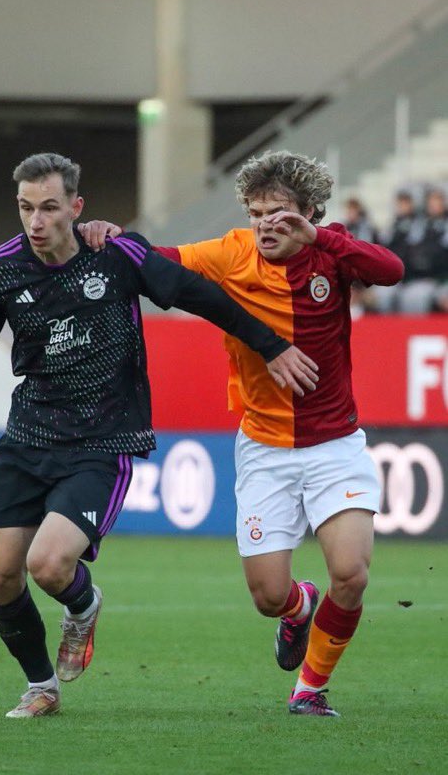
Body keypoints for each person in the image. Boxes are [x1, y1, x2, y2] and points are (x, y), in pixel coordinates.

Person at [0, 152, 318, 719]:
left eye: (49, 208)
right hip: (27, 436)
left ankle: (82, 608)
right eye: (26, 209)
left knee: (49, 565)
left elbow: (201, 296)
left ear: (77, 207)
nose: (36, 222)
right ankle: (42, 687)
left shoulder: (114, 255)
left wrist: (272, 344)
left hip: (102, 441)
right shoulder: (1, 270)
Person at [80, 150, 404, 717]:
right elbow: (156, 262)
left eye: (278, 212)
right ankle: (298, 610)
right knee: (268, 597)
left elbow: (392, 271)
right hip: (264, 448)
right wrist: (115, 236)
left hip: (335, 445)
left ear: (307, 213)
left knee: (350, 574)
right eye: (256, 212)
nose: (264, 224)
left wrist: (323, 238)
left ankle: (310, 689)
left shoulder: (332, 254)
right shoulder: (231, 252)